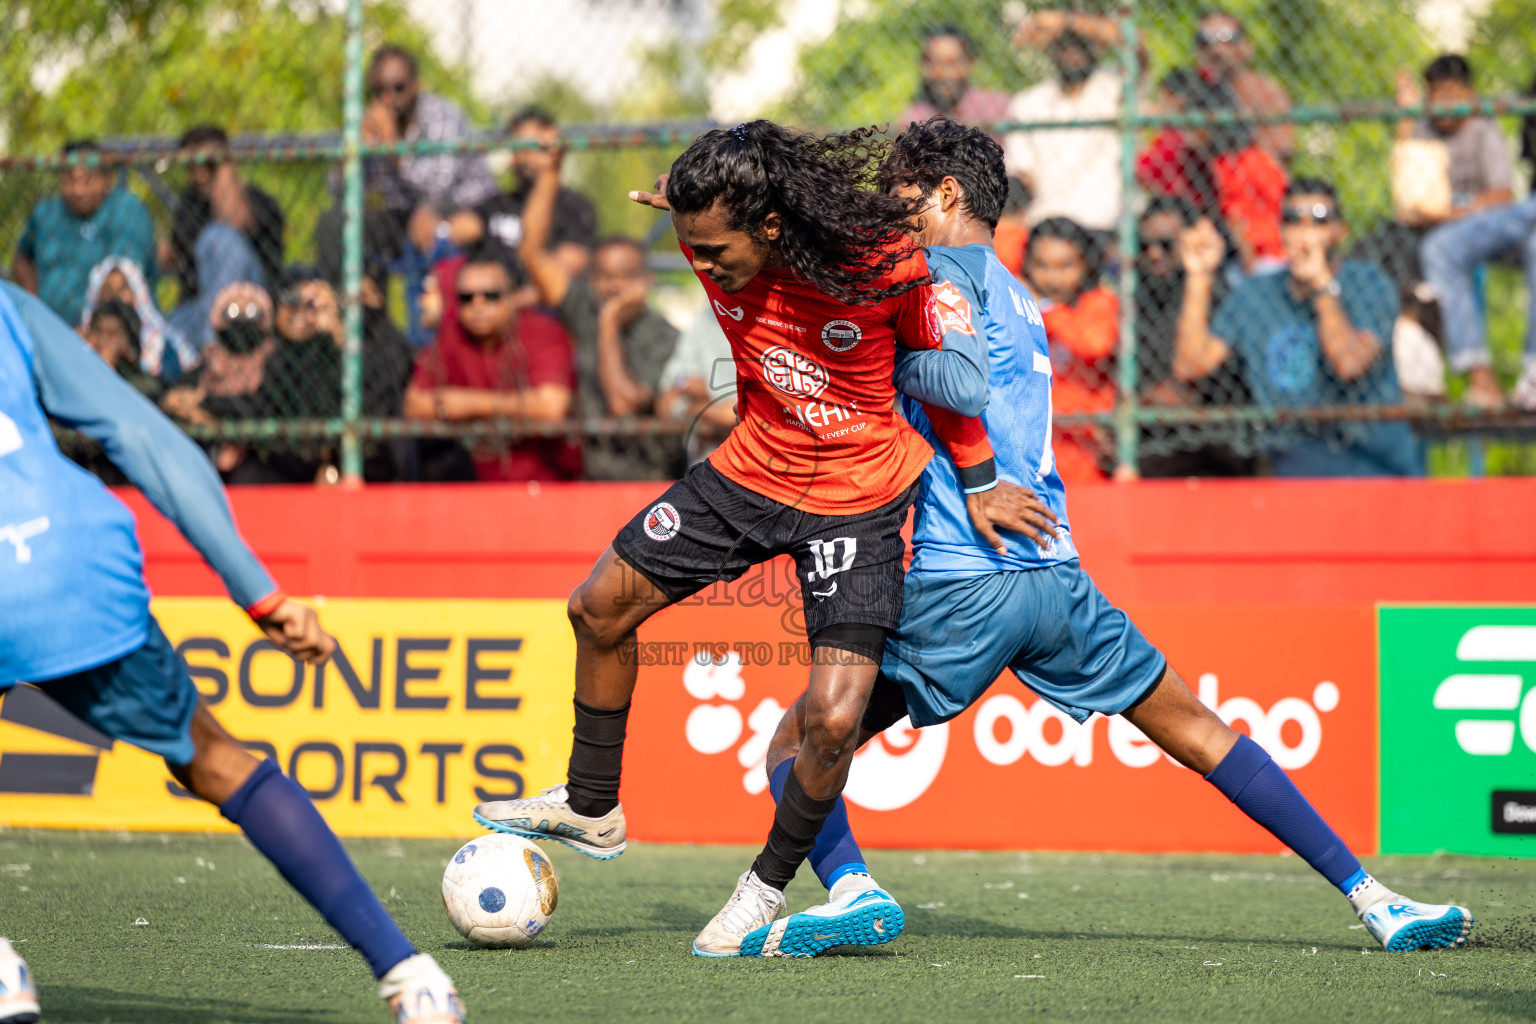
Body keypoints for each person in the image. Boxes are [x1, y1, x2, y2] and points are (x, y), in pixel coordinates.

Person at [757, 119, 1472, 959]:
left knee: (799, 738)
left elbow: (945, 377)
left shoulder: (935, 280)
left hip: (965, 578)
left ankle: (852, 890)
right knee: (1202, 730)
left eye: (903, 189)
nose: (890, 205)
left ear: (947, 194)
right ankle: (1375, 898)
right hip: (1057, 575)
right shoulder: (1021, 293)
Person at [469, 119, 1042, 958]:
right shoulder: (716, 225)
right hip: (749, 474)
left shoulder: (883, 266)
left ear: (772, 227)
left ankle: (763, 889)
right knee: (596, 610)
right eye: (688, 246)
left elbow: (952, 384)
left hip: (858, 499)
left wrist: (983, 479)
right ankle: (593, 805)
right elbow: (712, 211)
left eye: (712, 251)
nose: (701, 269)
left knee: (835, 720)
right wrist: (684, 199)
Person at [0, 280, 464, 1021]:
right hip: (70, 560)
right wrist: (260, 592)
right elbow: (146, 438)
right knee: (217, 758)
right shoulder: (7, 306)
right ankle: (411, 977)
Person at [1174, 179, 1421, 477]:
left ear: (1339, 232)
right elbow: (1190, 365)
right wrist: (1199, 278)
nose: (1305, 232)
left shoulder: (1368, 283)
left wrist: (1321, 285)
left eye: (1318, 221)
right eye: (1293, 220)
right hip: (1296, 471)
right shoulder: (1254, 295)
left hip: (1373, 469)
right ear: (1281, 231)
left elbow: (1350, 362)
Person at [519, 144, 682, 480]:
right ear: (591, 280)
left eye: (625, 277)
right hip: (593, 478)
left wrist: (608, 325)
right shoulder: (585, 309)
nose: (613, 288)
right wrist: (550, 175)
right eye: (604, 277)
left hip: (651, 479)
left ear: (646, 281)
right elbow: (533, 255)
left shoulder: (666, 337)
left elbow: (623, 404)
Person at [403, 245, 581, 482]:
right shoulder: (452, 336)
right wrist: (515, 408)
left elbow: (550, 408)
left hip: (549, 482)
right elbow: (414, 405)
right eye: (466, 298)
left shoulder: (542, 331)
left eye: (491, 296)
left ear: (513, 297)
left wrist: (466, 405)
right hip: (479, 485)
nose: (478, 305)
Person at [1403, 55, 1521, 408]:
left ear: (1469, 94)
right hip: (1440, 232)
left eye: (1451, 95)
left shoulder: (1482, 128)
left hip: (1488, 226)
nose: (1442, 106)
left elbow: (1503, 194)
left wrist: (1455, 211)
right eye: (1434, 97)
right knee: (1420, 252)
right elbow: (1410, 196)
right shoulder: (1422, 130)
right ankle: (1442, 377)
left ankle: (1507, 373)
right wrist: (1405, 118)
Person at [1132, 198, 1254, 478]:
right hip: (1152, 447)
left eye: (1166, 244)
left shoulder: (1219, 299)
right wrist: (1149, 398)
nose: (1153, 254)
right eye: (1144, 245)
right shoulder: (1139, 302)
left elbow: (1199, 385)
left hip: (1215, 447)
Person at [1004, 12, 1132, 236]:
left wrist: (1066, 22)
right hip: (1046, 226)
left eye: (1081, 43)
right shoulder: (1029, 103)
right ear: (1052, 49)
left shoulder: (1114, 90)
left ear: (1096, 48)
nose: (1072, 52)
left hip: (1104, 224)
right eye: (1064, 44)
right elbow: (1023, 174)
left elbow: (1136, 46)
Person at [12, 139, 157, 326]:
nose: (78, 190)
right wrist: (35, 310)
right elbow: (22, 259)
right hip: (50, 331)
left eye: (87, 181)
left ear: (107, 180)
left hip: (109, 335)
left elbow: (119, 279)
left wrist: (88, 333)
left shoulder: (127, 211)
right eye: (70, 180)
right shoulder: (46, 214)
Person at [166, 125, 285, 348]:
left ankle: (214, 349)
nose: (199, 173)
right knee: (162, 333)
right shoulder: (188, 206)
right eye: (192, 165)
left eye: (208, 164)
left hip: (251, 301)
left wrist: (223, 173)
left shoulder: (259, 202)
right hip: (199, 307)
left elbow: (234, 220)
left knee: (220, 238)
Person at [452, 107, 599, 279]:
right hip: (492, 295)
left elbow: (565, 272)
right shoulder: (499, 203)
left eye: (535, 145)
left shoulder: (576, 208)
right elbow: (455, 230)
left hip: (538, 301)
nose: (527, 155)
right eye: (519, 146)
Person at [1024, 217, 1118, 483]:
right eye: (1042, 265)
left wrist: (1045, 308)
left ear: (1085, 264)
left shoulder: (1098, 302)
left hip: (1083, 445)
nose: (1053, 277)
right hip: (1030, 442)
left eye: (1066, 266)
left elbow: (1096, 344)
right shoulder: (1018, 305)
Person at [1193, 10, 1294, 165]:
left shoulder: (1266, 91)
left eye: (1226, 38)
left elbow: (1283, 148)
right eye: (1205, 40)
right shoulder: (1188, 91)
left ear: (1246, 47)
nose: (1216, 49)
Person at [79, 256, 199, 380]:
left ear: (136, 292)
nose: (116, 297)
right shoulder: (80, 341)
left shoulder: (167, 348)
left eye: (122, 289)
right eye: (108, 290)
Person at [897, 25, 1010, 129]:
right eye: (937, 63)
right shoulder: (913, 120)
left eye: (954, 63)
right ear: (924, 66)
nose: (946, 73)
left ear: (969, 63)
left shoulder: (997, 108)